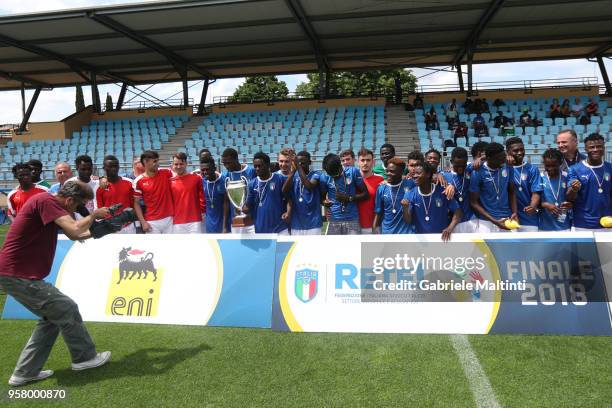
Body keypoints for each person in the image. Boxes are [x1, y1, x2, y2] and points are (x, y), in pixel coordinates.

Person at [0, 181, 111, 387]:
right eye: (78, 206)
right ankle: (85, 358)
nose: (77, 211)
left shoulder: (49, 204)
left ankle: (24, 373)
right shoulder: (47, 201)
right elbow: (75, 229)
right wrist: (94, 216)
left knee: (53, 316)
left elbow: (74, 234)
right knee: (66, 307)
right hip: (17, 274)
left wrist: (102, 230)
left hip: (16, 273)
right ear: (69, 200)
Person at [401, 162, 462, 241]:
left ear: (428, 174)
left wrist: (450, 228)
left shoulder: (443, 192)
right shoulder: (410, 194)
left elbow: (458, 212)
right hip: (421, 241)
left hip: (441, 239)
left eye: (418, 173)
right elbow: (408, 220)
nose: (415, 176)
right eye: (414, 173)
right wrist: (405, 208)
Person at [469, 142, 518, 232]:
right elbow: (473, 202)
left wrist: (515, 213)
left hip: (507, 218)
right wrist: (495, 221)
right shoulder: (478, 171)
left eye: (504, 157)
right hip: (486, 222)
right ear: (488, 159)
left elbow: (512, 192)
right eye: (500, 158)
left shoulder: (507, 166)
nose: (503, 161)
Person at [566, 133, 611, 231]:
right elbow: (569, 197)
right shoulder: (575, 169)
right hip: (581, 224)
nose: (595, 149)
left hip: (607, 223)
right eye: (592, 147)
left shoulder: (610, 168)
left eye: (599, 146)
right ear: (586, 149)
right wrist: (574, 189)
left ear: (603, 148)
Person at [321, 153, 368, 235]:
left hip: (352, 220)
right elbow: (322, 198)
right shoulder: (325, 177)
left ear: (340, 166)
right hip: (334, 220)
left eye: (335, 174)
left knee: (354, 247)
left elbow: (365, 194)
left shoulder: (353, 172)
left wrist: (349, 198)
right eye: (331, 174)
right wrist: (325, 202)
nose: (334, 176)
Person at [243, 152, 290, 234]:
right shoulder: (252, 184)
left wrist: (288, 212)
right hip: (260, 229)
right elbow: (248, 206)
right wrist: (241, 208)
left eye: (260, 166)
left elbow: (289, 199)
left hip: (280, 228)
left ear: (268, 165)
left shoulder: (280, 179)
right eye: (255, 166)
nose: (257, 169)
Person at [506, 137, 542, 232]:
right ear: (507, 151)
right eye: (515, 150)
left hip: (529, 218)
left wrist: (533, 206)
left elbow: (536, 192)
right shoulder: (502, 168)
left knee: (532, 246)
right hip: (508, 219)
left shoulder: (532, 169)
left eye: (522, 149)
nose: (520, 153)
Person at [133, 150, 174, 234]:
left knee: (171, 246)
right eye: (155, 161)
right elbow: (136, 203)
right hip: (152, 222)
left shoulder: (167, 172)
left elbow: (182, 176)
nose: (158, 163)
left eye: (158, 160)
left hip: (170, 219)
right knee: (153, 247)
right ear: (145, 162)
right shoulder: (138, 181)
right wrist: (143, 222)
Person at [283, 151, 323, 235]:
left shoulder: (316, 174)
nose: (300, 164)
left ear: (309, 162)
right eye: (298, 162)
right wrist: (293, 171)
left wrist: (298, 166)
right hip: (296, 224)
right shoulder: (294, 176)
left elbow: (309, 186)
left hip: (313, 223)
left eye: (303, 163)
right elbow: (284, 191)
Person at [372, 158, 414, 234]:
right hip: (387, 232)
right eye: (387, 171)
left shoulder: (410, 184)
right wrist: (374, 228)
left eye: (392, 171)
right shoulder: (381, 188)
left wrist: (437, 175)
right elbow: (378, 212)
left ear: (401, 172)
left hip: (406, 233)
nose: (388, 173)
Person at [96, 155, 136, 234]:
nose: (113, 169)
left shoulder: (129, 183)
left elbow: (133, 205)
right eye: (110, 166)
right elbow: (100, 209)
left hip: (128, 226)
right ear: (104, 168)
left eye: (116, 166)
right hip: (110, 227)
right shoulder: (99, 186)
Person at [444, 147, 479, 233]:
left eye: (463, 165)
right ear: (451, 162)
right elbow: (433, 175)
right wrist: (438, 176)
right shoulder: (444, 175)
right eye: (457, 165)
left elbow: (484, 160)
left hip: (471, 219)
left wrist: (480, 158)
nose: (460, 168)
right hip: (453, 222)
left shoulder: (469, 170)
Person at [170, 152, 204, 234]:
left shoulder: (196, 178)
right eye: (176, 164)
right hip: (177, 222)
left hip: (195, 221)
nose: (178, 166)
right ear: (173, 165)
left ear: (186, 164)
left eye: (181, 164)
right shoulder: (170, 181)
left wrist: (203, 212)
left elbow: (202, 197)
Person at [539, 148, 572, 231]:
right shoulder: (540, 177)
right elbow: (534, 201)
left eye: (554, 165)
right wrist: (546, 205)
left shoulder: (567, 176)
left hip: (564, 225)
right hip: (545, 226)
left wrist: (570, 203)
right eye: (547, 166)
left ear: (560, 163)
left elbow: (572, 198)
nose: (550, 168)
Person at [357, 148, 384, 234]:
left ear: (373, 162)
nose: (365, 163)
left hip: (375, 227)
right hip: (354, 226)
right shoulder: (351, 179)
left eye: (368, 160)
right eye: (362, 160)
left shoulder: (380, 179)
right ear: (358, 162)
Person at [200, 156, 229, 234]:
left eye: (207, 169)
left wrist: (225, 226)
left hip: (223, 222)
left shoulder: (223, 180)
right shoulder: (202, 182)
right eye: (203, 170)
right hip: (209, 222)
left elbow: (227, 203)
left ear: (214, 168)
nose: (205, 172)